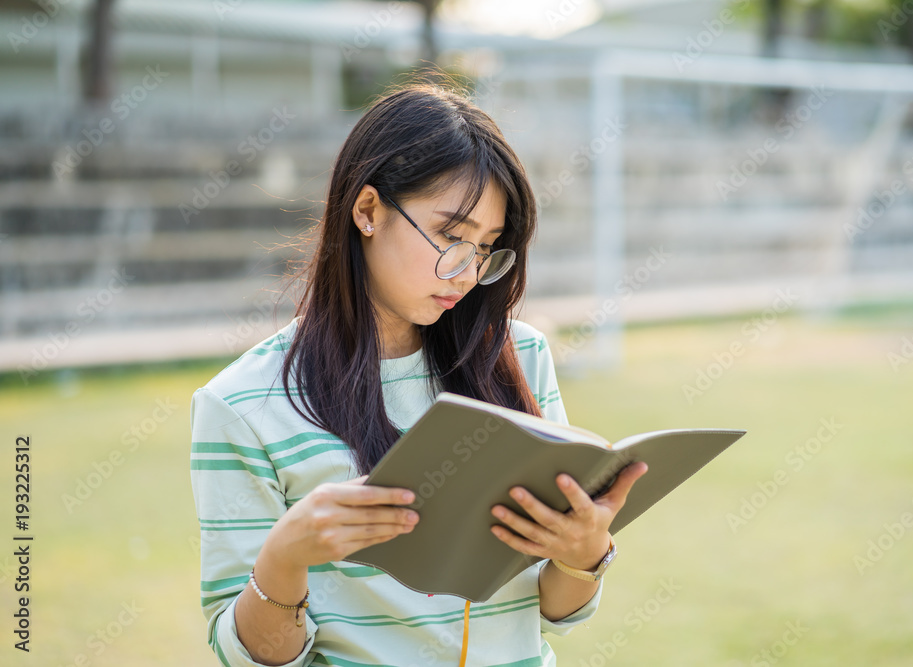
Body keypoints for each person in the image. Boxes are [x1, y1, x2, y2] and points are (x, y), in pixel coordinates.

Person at [189, 79, 648, 667]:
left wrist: (583, 553)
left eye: (486, 247)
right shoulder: (243, 405)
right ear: (367, 210)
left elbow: (552, 613)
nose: (466, 272)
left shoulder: (518, 357)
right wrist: (284, 557)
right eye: (451, 236)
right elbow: (250, 655)